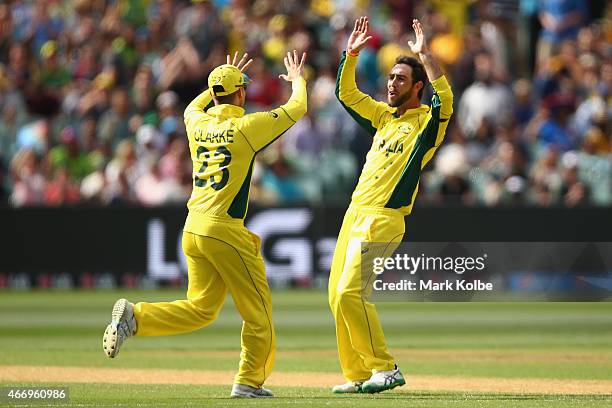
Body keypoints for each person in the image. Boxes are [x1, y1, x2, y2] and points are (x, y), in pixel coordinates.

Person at [102, 51, 307, 398]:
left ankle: (135, 317)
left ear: (213, 97)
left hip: (193, 228)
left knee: (202, 309)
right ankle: (248, 381)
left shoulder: (197, 122)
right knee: (259, 314)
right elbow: (298, 107)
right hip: (224, 230)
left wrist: (214, 87)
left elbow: (190, 108)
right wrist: (297, 78)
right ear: (240, 94)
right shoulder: (246, 127)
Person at [330, 17, 453, 394]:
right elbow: (346, 94)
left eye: (401, 79)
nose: (392, 83)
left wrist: (426, 57)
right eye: (391, 77)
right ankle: (359, 373)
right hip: (354, 214)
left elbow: (445, 99)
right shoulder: (383, 118)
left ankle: (385, 367)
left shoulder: (426, 125)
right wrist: (350, 54)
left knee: (352, 292)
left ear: (418, 87)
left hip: (384, 219)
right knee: (337, 297)